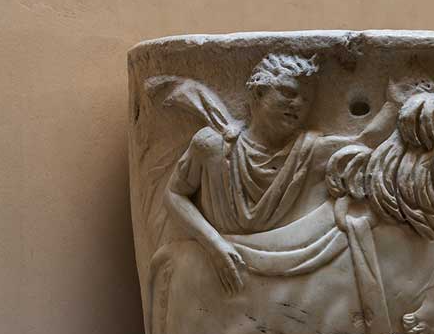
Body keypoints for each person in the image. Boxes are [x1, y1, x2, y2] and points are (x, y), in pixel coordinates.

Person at [164, 53, 395, 294]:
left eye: (306, 100)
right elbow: (174, 194)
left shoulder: (309, 151)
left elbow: (361, 143)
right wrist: (214, 244)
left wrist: (394, 104)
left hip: (287, 285)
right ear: (258, 93)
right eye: (288, 92)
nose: (298, 104)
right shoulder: (212, 147)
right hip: (217, 274)